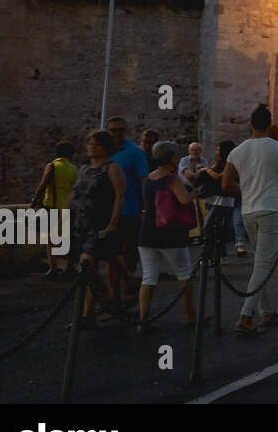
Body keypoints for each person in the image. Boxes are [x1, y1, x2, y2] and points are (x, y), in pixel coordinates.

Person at [222, 104, 278, 335]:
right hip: (270, 210)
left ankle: (266, 310)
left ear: (251, 124)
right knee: (263, 264)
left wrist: (247, 191)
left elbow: (226, 183)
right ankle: (245, 315)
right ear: (270, 125)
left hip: (248, 211)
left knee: (259, 263)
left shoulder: (237, 151)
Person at [136, 142, 198, 333]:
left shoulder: (148, 178)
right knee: (184, 273)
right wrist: (196, 191)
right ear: (171, 157)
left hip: (147, 233)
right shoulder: (172, 179)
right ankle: (190, 316)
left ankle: (143, 319)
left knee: (148, 277)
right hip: (170, 233)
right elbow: (184, 200)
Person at [69, 130, 125, 326]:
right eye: (90, 143)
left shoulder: (112, 168)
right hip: (80, 224)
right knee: (89, 269)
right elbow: (75, 195)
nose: (92, 147)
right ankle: (98, 307)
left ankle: (92, 310)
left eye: (97, 144)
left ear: (106, 147)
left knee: (87, 265)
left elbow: (119, 196)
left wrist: (113, 223)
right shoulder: (83, 168)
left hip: (99, 225)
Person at [106, 116, 149, 304]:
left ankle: (124, 289)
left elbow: (143, 182)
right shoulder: (105, 152)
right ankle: (119, 291)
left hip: (129, 210)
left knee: (126, 254)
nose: (116, 133)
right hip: (106, 212)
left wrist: (145, 209)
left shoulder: (134, 152)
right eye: (113, 130)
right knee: (111, 255)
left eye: (120, 129)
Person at [31, 141, 78, 277]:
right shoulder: (74, 168)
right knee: (68, 239)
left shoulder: (52, 166)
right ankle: (70, 267)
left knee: (51, 240)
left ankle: (53, 268)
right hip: (68, 207)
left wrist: (35, 201)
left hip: (52, 206)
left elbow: (43, 184)